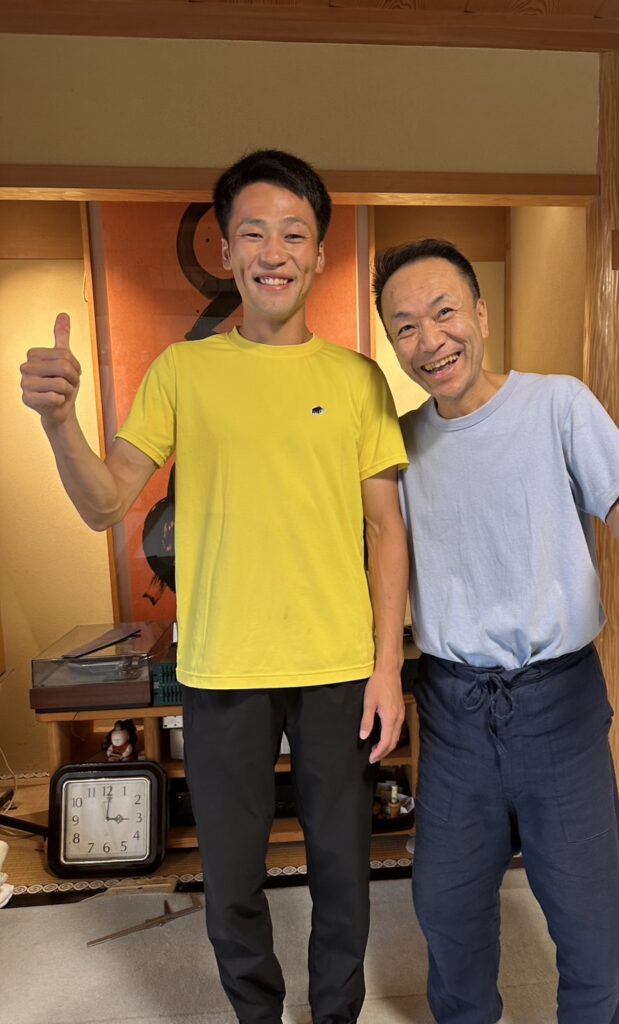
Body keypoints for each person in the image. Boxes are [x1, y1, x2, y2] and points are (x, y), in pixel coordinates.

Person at [20, 149, 409, 1024]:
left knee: (343, 871)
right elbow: (104, 501)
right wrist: (59, 423)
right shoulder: (181, 372)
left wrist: (387, 667)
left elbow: (388, 530)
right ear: (227, 252)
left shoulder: (357, 380)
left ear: (319, 254)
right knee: (231, 878)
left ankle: (337, 1016)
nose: (274, 253)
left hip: (337, 669)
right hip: (222, 669)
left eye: (294, 235)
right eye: (254, 234)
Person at [372, 238, 619, 1024]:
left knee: (590, 929)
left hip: (558, 701)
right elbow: (383, 550)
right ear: (392, 344)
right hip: (453, 709)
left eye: (445, 312)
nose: (430, 340)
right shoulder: (401, 443)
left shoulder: (558, 404)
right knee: (447, 913)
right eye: (405, 327)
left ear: (481, 315)